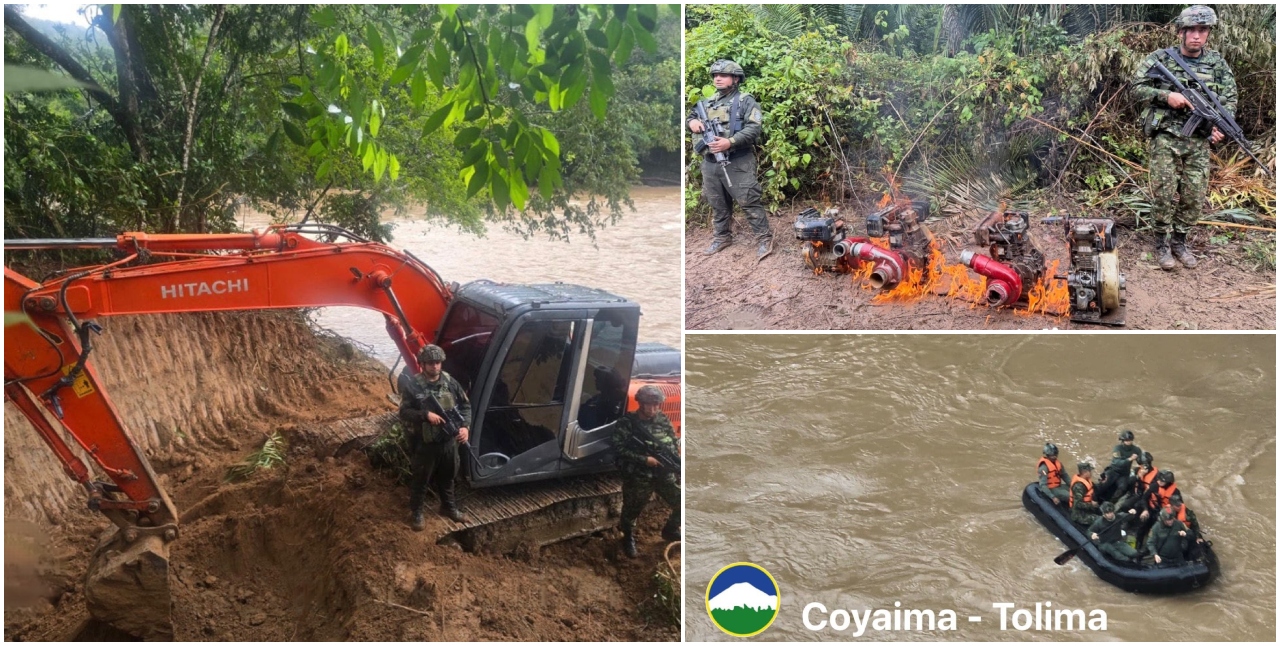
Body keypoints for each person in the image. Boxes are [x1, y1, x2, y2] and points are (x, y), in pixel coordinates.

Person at [1131, 5, 1237, 271]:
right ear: (1181, 31)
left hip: (1198, 141)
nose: (1196, 36)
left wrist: (1220, 125)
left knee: (1193, 195)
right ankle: (1161, 244)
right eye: (1191, 30)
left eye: (1202, 30)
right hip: (1166, 137)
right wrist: (1167, 96)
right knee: (1164, 194)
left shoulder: (1216, 63)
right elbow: (1136, 87)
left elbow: (1230, 99)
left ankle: (1179, 241)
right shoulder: (1161, 58)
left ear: (1208, 33)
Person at [687, 59, 774, 260]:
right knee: (717, 202)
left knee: (749, 200)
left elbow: (754, 128)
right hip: (710, 162)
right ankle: (722, 237)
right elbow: (689, 118)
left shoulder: (745, 101)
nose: (717, 78)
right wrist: (692, 122)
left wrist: (730, 142)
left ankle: (764, 238)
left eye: (723, 75)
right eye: (715, 75)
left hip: (737, 160)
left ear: (735, 78)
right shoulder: (707, 103)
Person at [399, 344, 471, 529]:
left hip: (448, 442)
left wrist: (465, 427)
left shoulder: (450, 382)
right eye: (430, 363)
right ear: (422, 364)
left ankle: (448, 508)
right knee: (421, 479)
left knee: (448, 476)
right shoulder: (413, 385)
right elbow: (405, 412)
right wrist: (425, 415)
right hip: (426, 442)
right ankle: (416, 513)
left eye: (438, 362)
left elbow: (465, 406)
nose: (435, 367)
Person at [611, 385, 681, 558]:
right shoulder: (628, 423)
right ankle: (628, 538)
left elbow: (672, 440)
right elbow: (618, 448)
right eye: (649, 405)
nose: (653, 409)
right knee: (631, 510)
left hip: (664, 474)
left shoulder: (662, 419)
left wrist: (676, 457)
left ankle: (670, 530)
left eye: (656, 405)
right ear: (640, 404)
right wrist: (644, 460)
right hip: (639, 476)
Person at [1097, 430, 1142, 503]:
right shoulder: (1117, 448)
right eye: (1127, 440)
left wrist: (1141, 460)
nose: (1128, 442)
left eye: (1130, 440)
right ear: (1123, 441)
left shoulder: (1136, 450)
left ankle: (1111, 503)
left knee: (1122, 488)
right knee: (1104, 483)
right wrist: (1130, 459)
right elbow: (1117, 462)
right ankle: (1094, 499)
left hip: (1124, 474)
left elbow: (1140, 461)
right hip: (1113, 470)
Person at [1069, 462, 1101, 527]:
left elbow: (1093, 487)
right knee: (1100, 520)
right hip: (1079, 513)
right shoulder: (1079, 486)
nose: (1091, 473)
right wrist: (1091, 505)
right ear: (1085, 472)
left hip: (1087, 508)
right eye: (1090, 471)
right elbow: (1078, 504)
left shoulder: (1086, 480)